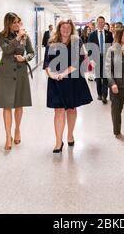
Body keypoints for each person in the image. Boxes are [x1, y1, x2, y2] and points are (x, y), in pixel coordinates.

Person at [43, 19, 93, 153]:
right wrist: (51, 74)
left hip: (72, 79)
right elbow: (46, 63)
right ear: (59, 29)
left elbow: (77, 62)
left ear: (72, 30)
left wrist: (63, 73)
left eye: (68, 28)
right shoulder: (51, 43)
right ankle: (58, 142)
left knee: (71, 109)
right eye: (63, 28)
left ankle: (70, 134)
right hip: (56, 81)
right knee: (58, 110)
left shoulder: (77, 42)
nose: (65, 30)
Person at [0, 12, 35, 151]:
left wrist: (25, 58)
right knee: (7, 105)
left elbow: (31, 52)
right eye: (14, 22)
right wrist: (17, 37)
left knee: (18, 104)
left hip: (20, 72)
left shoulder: (25, 36)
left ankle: (17, 129)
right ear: (8, 24)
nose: (17, 24)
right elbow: (6, 49)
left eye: (18, 21)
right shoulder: (1, 36)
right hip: (6, 74)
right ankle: (7, 136)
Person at [88, 16, 114, 104]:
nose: (101, 24)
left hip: (106, 58)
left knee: (106, 77)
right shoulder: (92, 35)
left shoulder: (109, 34)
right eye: (99, 22)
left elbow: (111, 47)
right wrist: (91, 60)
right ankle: (99, 93)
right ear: (96, 23)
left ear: (104, 23)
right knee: (98, 77)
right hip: (96, 59)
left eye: (103, 22)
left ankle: (104, 95)